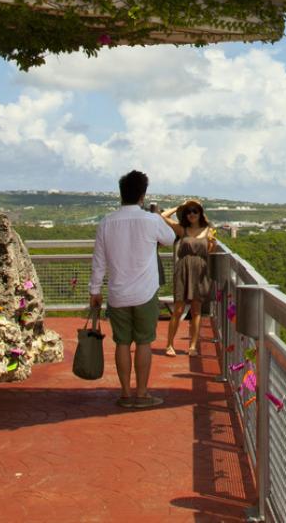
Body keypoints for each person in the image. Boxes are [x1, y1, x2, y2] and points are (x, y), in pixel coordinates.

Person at [89, 171, 178, 408]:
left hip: (118, 294)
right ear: (142, 194)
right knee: (144, 342)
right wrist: (157, 215)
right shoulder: (151, 220)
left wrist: (95, 291)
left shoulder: (106, 222)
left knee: (122, 343)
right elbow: (170, 239)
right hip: (145, 293)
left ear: (121, 194)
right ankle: (142, 393)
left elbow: (98, 261)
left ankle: (126, 394)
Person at [162, 200, 215, 357]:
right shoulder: (182, 229)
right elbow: (162, 216)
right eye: (189, 211)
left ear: (200, 213)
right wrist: (180, 207)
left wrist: (212, 242)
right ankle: (169, 344)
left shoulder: (208, 230)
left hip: (200, 271)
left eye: (195, 211)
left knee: (196, 311)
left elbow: (211, 251)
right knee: (178, 310)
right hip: (183, 271)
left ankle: (192, 346)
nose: (192, 214)